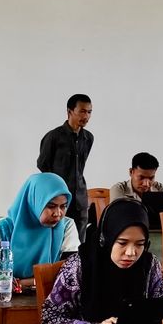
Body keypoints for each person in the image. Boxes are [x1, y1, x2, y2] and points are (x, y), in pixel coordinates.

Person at [0, 173, 81, 290]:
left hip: (52, 299)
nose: (58, 213)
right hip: (6, 298)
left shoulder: (66, 226)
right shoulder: (2, 229)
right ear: (33, 202)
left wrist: (22, 283)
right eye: (51, 206)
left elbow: (71, 272)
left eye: (63, 206)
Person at [37, 93, 94, 238]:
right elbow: (43, 165)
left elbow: (80, 166)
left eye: (89, 112)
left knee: (79, 242)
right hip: (58, 198)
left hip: (80, 198)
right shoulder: (54, 136)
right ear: (70, 111)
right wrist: (56, 188)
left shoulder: (88, 138)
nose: (86, 116)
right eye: (82, 111)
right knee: (57, 238)